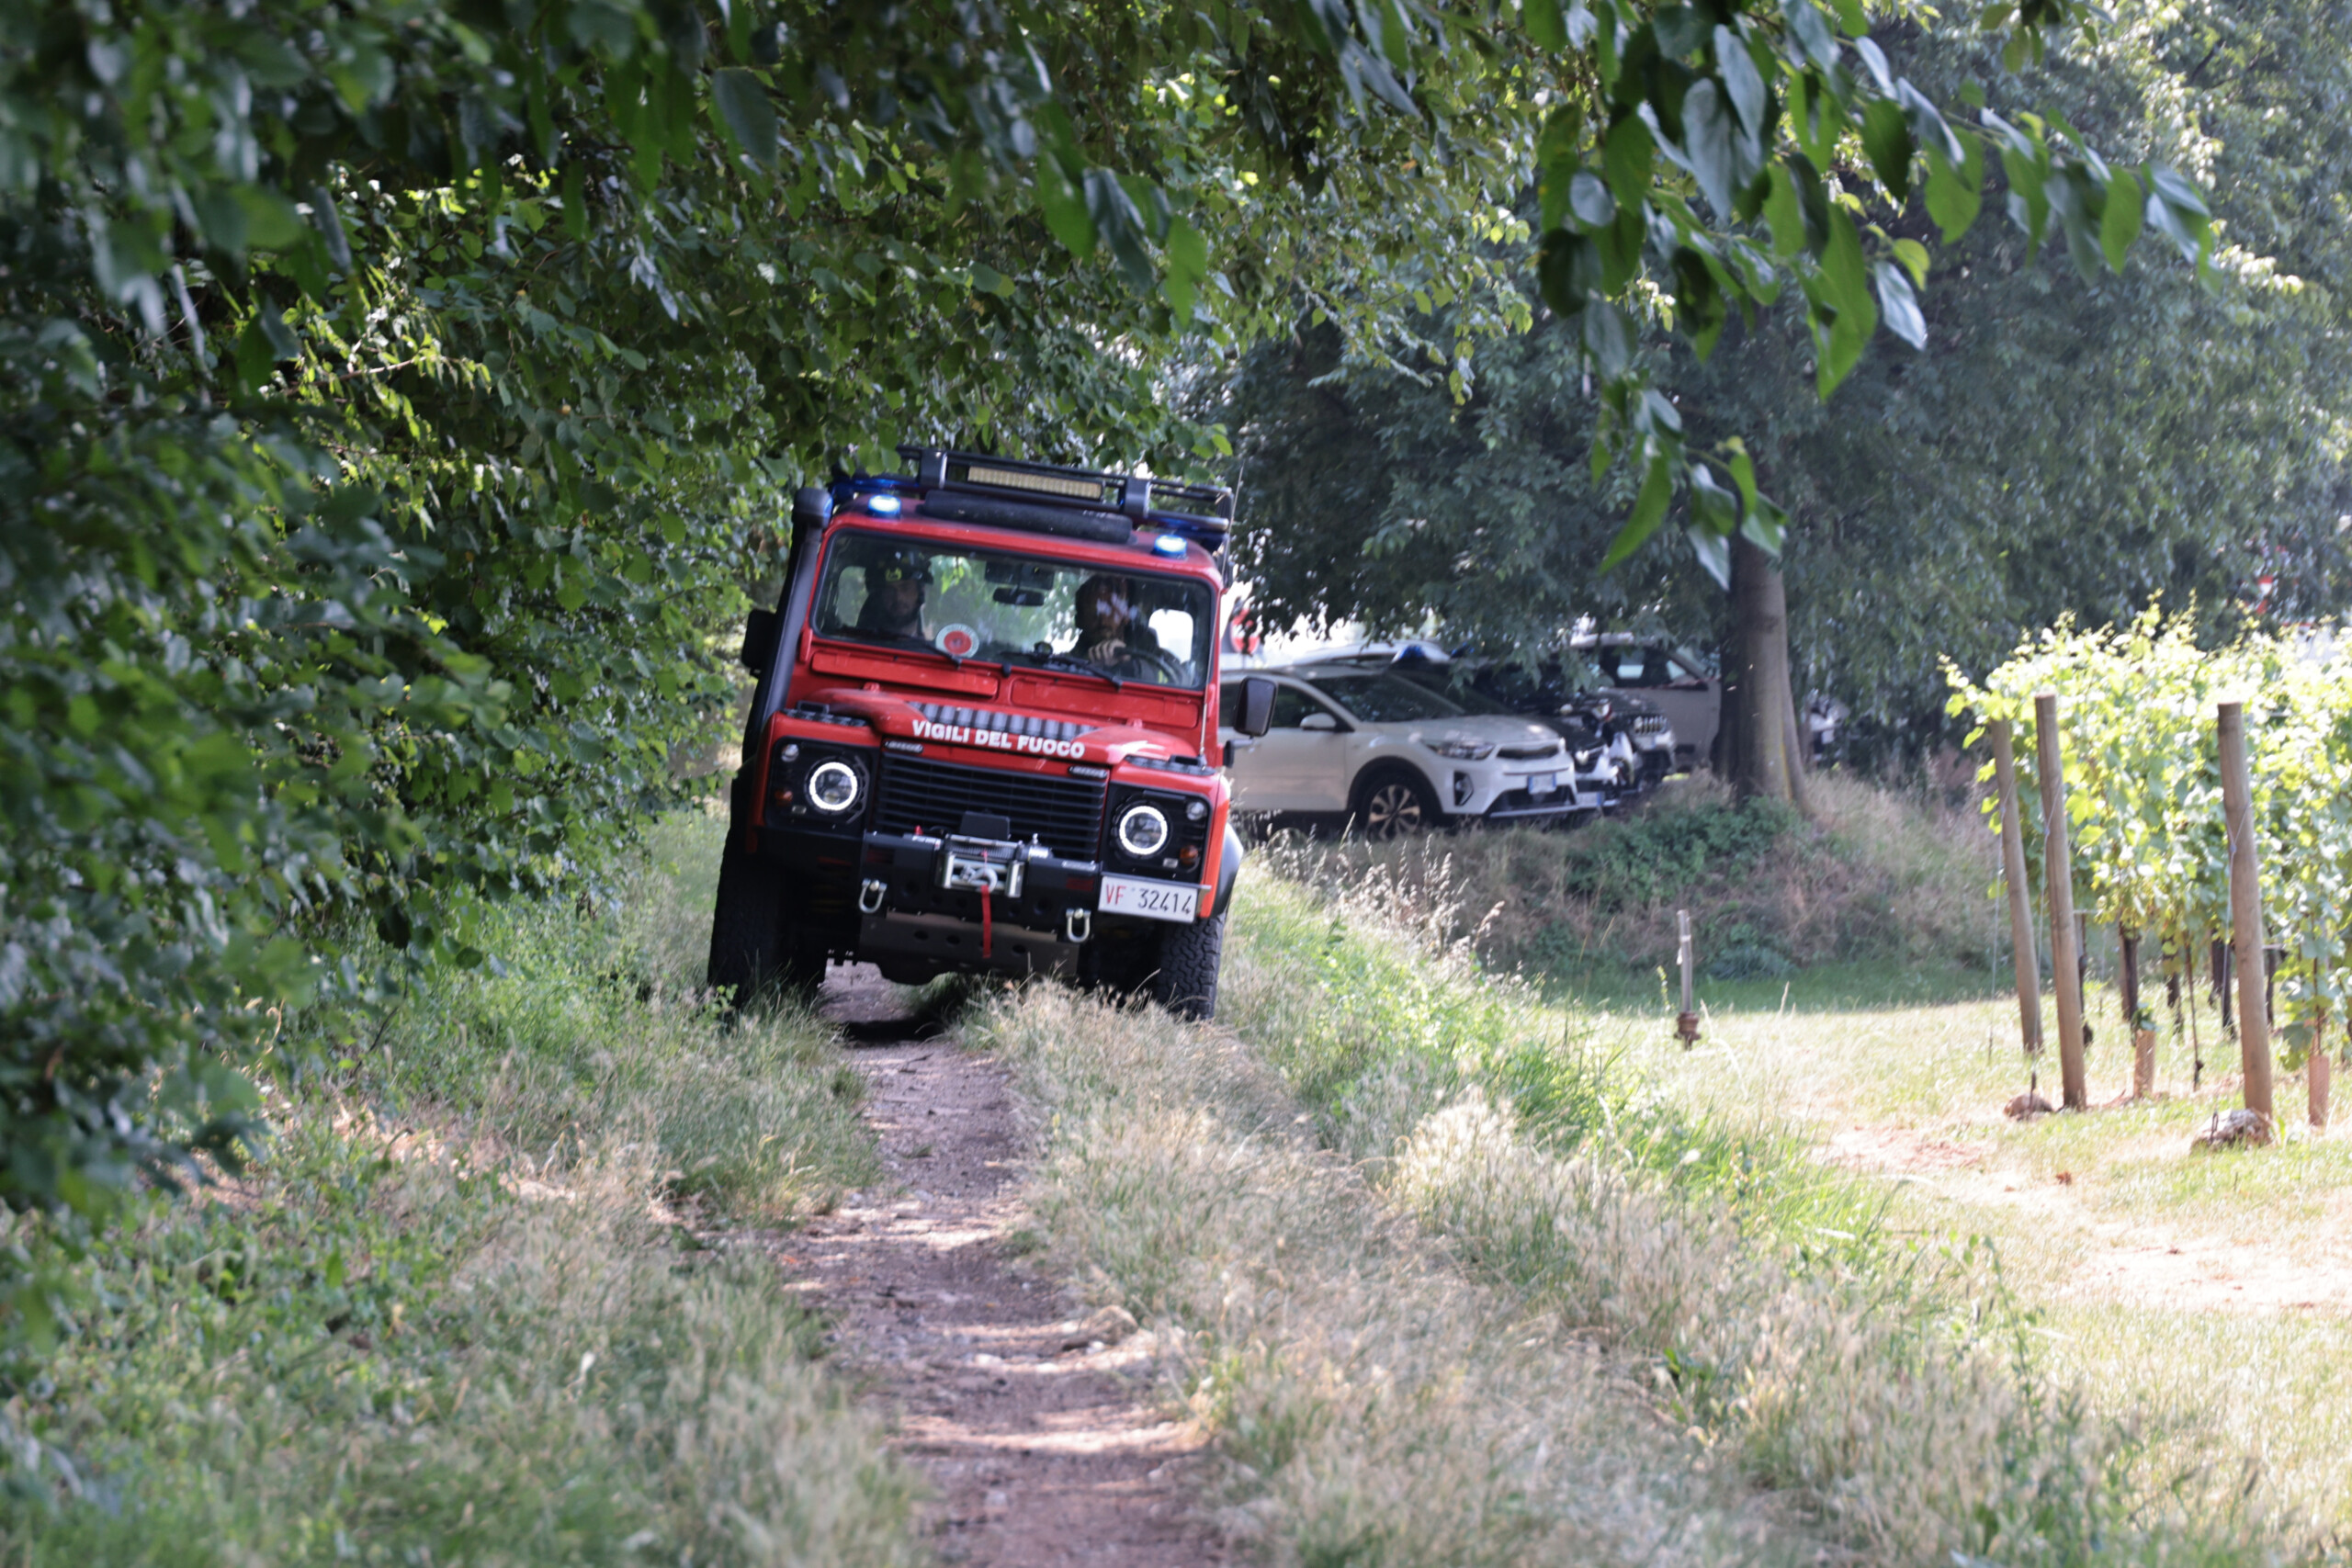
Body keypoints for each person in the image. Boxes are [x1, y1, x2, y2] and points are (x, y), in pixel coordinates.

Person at [1071, 574, 1173, 679]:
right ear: (1079, 620)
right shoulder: (1070, 660)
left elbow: (1180, 677)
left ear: (1126, 615)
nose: (1103, 620)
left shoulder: (1147, 647)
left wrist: (1132, 665)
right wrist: (1085, 665)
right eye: (1093, 612)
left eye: (1109, 609)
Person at [855, 547, 930, 640]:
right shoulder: (858, 645)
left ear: (921, 591)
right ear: (880, 595)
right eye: (889, 590)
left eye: (905, 588)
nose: (898, 597)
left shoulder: (934, 649)